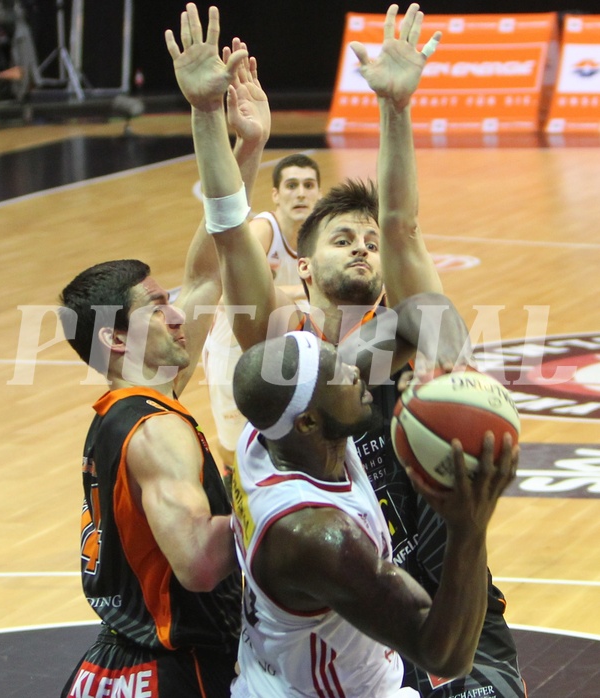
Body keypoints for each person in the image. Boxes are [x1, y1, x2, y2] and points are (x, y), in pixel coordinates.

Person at [207, 3, 527, 696]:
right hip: (346, 618)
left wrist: (395, 107)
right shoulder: (288, 357)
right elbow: (232, 241)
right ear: (299, 264)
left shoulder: (410, 341)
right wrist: (228, 135)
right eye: (342, 238)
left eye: (370, 240)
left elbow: (406, 230)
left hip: (442, 593)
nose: (364, 246)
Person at [58, 21, 271, 698]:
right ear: (117, 338)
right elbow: (201, 565)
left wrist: (245, 144)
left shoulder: (138, 403)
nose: (179, 309)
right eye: (158, 306)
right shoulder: (157, 434)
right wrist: (263, 494)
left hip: (116, 662)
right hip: (177, 671)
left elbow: (210, 272)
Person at [229, 330, 518, 697]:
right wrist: (469, 527)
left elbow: (416, 315)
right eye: (339, 371)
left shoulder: (271, 431)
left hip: (284, 672)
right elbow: (445, 655)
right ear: (308, 423)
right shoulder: (315, 535)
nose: (354, 371)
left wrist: (446, 367)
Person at [203, 152, 322, 479]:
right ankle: (234, 495)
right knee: (234, 446)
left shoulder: (318, 239)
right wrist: (304, 294)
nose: (300, 193)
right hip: (232, 350)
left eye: (308, 185)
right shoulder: (264, 229)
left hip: (276, 347)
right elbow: (232, 294)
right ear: (276, 195)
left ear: (319, 194)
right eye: (291, 185)